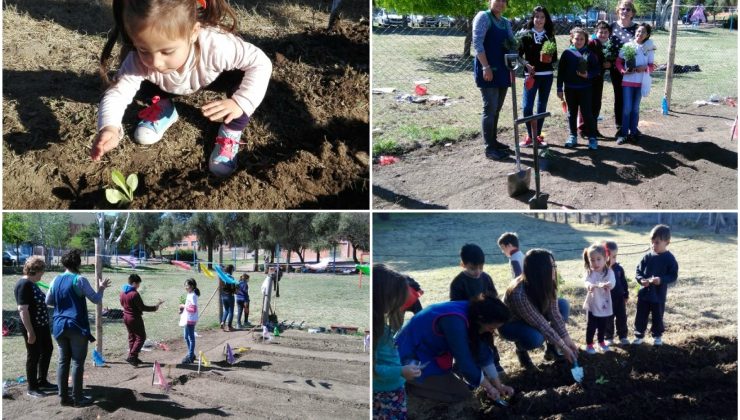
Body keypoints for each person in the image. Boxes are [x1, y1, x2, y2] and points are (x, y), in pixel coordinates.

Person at [91, 0, 272, 178]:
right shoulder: (140, 60)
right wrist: (109, 127)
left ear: (193, 32)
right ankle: (163, 107)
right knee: (131, 76)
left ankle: (231, 130)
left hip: (214, 77)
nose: (155, 62)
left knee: (245, 84)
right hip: (166, 85)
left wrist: (240, 102)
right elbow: (117, 93)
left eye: (167, 51)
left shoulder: (217, 46)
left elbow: (260, 63)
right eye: (143, 49)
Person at [396, 292, 514, 403]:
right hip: (409, 357)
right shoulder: (454, 321)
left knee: (466, 387)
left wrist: (499, 386)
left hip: (431, 352)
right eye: (491, 328)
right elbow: (464, 361)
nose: (492, 331)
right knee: (462, 394)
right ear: (481, 319)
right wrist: (489, 388)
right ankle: (407, 384)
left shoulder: (475, 312)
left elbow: (482, 352)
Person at [45, 250, 111, 407]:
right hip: (76, 325)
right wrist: (101, 288)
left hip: (59, 325)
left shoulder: (55, 279)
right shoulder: (79, 280)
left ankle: (63, 397)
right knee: (77, 362)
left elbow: (48, 300)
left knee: (62, 361)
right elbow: (95, 299)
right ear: (78, 263)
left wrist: (63, 305)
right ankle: (78, 398)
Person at [499, 249, 579, 369]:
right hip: (512, 324)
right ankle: (521, 350)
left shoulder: (547, 281)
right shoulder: (519, 294)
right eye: (551, 266)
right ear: (540, 270)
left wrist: (567, 340)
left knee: (563, 305)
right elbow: (542, 325)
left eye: (554, 264)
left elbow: (554, 314)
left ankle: (552, 348)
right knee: (536, 338)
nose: (555, 268)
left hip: (534, 314)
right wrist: (564, 347)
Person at [372, 265, 420, 419]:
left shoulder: (384, 327)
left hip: (394, 387)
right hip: (384, 392)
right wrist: (400, 371)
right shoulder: (376, 332)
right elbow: (373, 369)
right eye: (397, 299)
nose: (400, 305)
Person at [449, 243, 504, 373]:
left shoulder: (485, 278)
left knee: (489, 341)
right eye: (473, 268)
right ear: (463, 264)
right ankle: (467, 370)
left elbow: (493, 295)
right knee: (471, 344)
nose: (477, 271)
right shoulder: (458, 283)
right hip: (468, 321)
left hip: (486, 319)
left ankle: (495, 363)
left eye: (481, 267)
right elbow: (455, 305)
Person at [472, 0, 517, 160]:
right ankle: (489, 148)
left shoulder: (505, 22)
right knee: (490, 108)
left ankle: (494, 141)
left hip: (503, 72)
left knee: (496, 109)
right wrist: (485, 67)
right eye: (496, 0)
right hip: (488, 71)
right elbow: (477, 43)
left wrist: (519, 62)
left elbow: (512, 44)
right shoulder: (483, 17)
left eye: (503, 1)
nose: (500, 3)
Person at [14, 256, 56, 398]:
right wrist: (30, 332)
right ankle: (32, 387)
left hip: (42, 325)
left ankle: (42, 381)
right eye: (42, 271)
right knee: (33, 355)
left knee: (47, 349)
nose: (42, 274)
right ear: (35, 270)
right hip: (33, 327)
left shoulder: (33, 283)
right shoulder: (23, 284)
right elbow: (23, 310)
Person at [517, 6, 556, 148]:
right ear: (532, 18)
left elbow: (555, 57)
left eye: (542, 17)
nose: (539, 20)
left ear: (546, 19)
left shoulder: (549, 35)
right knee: (527, 107)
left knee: (541, 107)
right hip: (531, 76)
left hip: (547, 75)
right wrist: (527, 65)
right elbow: (518, 56)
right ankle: (529, 136)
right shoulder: (525, 34)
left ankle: (537, 136)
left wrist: (548, 58)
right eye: (537, 17)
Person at [633, 225, 679, 346]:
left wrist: (661, 280)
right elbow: (638, 271)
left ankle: (657, 336)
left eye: (657, 242)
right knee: (641, 315)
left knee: (658, 316)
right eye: (652, 242)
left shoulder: (669, 259)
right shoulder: (647, 257)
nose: (653, 245)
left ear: (667, 242)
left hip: (658, 295)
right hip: (644, 294)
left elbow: (673, 275)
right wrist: (641, 280)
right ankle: (639, 335)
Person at [557, 27, 600, 150]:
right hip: (570, 89)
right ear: (572, 38)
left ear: (586, 40)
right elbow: (560, 72)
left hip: (586, 88)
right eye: (576, 38)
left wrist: (588, 75)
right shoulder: (567, 53)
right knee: (571, 113)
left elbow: (596, 69)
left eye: (582, 39)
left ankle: (592, 137)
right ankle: (572, 136)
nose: (579, 41)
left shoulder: (589, 54)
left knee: (587, 113)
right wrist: (559, 88)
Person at [615, 23, 655, 145]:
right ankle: (623, 134)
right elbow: (618, 62)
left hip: (640, 83)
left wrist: (645, 68)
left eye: (643, 32)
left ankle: (633, 133)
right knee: (627, 108)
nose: (640, 34)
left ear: (647, 35)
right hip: (627, 82)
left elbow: (652, 66)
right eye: (638, 31)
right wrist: (623, 71)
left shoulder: (649, 48)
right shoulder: (628, 46)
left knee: (635, 109)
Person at [577, 21, 616, 138]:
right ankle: (583, 129)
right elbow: (583, 59)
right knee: (585, 103)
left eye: (605, 32)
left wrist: (610, 64)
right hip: (587, 78)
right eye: (600, 32)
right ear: (596, 32)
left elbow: (612, 60)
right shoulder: (591, 43)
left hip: (599, 78)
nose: (603, 34)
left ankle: (593, 128)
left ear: (609, 33)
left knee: (596, 103)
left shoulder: (609, 46)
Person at [609, 1, 639, 136]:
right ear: (618, 11)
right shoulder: (612, 27)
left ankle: (633, 126)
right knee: (619, 97)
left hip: (634, 70)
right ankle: (620, 126)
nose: (625, 11)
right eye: (622, 9)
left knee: (633, 99)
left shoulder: (637, 28)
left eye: (628, 9)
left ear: (632, 12)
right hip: (616, 69)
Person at [120, 274, 163, 366]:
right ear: (134, 283)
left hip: (126, 317)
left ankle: (133, 357)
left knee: (132, 337)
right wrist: (155, 308)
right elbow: (142, 307)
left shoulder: (122, 292)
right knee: (141, 337)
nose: (139, 286)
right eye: (138, 284)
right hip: (134, 318)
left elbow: (122, 303)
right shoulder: (134, 294)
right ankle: (132, 356)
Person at [582, 244, 616, 354]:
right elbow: (586, 281)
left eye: (598, 259)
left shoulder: (609, 272)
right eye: (592, 260)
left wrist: (609, 284)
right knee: (591, 326)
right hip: (593, 303)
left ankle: (601, 341)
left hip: (604, 304)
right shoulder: (590, 272)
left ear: (605, 258)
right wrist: (589, 286)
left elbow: (612, 282)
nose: (595, 263)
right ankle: (589, 344)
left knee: (603, 324)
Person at [603, 241, 629, 345]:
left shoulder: (619, 269)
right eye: (609, 257)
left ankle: (623, 336)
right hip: (607, 299)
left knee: (622, 317)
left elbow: (624, 282)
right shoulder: (602, 270)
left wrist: (626, 294)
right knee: (608, 318)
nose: (611, 260)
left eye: (614, 257)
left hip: (619, 298)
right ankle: (608, 337)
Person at [179, 278, 200, 363]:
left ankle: (190, 356)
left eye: (187, 285)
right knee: (186, 337)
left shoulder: (193, 296)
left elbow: (193, 309)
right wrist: (182, 310)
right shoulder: (189, 294)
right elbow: (189, 307)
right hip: (187, 318)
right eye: (185, 285)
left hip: (190, 319)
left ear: (192, 286)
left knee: (191, 338)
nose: (185, 287)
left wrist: (184, 306)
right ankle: (191, 354)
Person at [220, 264, 236, 331]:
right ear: (231, 270)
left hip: (223, 296)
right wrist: (235, 290)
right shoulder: (231, 278)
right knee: (231, 311)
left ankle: (223, 322)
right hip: (230, 296)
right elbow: (233, 288)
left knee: (226, 310)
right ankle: (229, 326)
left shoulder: (223, 277)